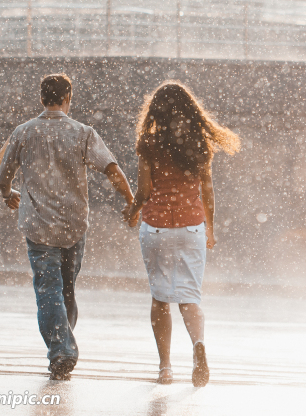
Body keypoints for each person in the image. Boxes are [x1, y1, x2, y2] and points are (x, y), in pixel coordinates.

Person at [0, 73, 135, 381]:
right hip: (73, 225)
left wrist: (8, 194)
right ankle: (62, 348)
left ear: (41, 98)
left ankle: (61, 348)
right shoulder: (83, 133)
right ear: (68, 98)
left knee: (49, 291)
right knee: (66, 289)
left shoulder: (23, 132)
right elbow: (111, 168)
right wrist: (131, 200)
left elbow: (4, 174)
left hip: (38, 226)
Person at [122, 81, 240, 387]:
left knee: (161, 297)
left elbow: (146, 190)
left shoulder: (148, 144)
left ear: (155, 111)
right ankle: (198, 345)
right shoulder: (200, 144)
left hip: (157, 227)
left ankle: (165, 367)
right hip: (191, 227)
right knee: (189, 295)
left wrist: (133, 210)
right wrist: (209, 229)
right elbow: (208, 192)